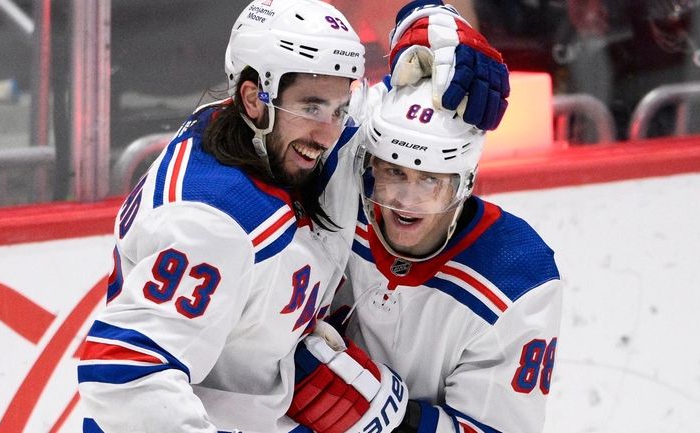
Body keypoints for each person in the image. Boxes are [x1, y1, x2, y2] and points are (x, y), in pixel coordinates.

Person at [76, 0, 509, 432]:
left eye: (339, 109)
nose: (328, 133)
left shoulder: (262, 133)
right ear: (252, 98)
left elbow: (382, 114)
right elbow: (124, 374)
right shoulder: (212, 224)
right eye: (312, 108)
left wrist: (433, 28)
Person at [315, 78, 562, 433]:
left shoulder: (516, 276)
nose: (405, 200)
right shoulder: (338, 196)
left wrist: (380, 412)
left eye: (430, 179)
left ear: (462, 184)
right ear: (371, 168)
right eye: (394, 172)